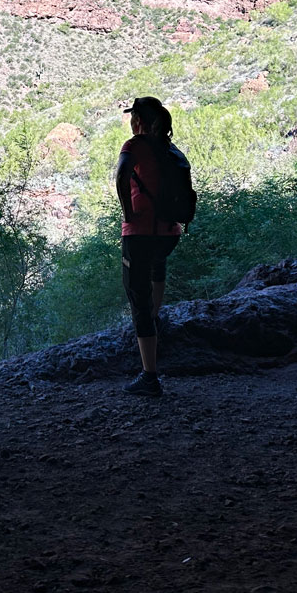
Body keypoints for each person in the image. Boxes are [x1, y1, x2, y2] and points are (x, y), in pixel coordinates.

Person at [116, 97, 184, 397]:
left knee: (137, 297)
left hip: (140, 231)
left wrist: (128, 212)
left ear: (139, 121)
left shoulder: (135, 145)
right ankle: (156, 322)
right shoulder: (172, 151)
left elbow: (121, 175)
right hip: (170, 233)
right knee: (158, 269)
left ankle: (149, 376)